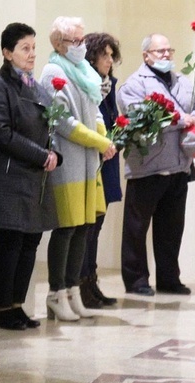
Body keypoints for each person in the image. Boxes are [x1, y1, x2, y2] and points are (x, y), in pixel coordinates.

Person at [0, 22, 59, 330]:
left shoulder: (35, 86)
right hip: (11, 177)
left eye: (33, 48)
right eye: (25, 48)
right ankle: (1, 308)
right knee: (11, 242)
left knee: (30, 242)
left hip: (35, 177)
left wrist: (54, 153)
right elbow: (0, 132)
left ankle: (17, 305)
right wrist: (41, 155)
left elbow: (48, 127)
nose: (31, 54)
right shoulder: (0, 86)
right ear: (7, 52)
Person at [117, 33, 195, 296]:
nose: (166, 55)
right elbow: (144, 118)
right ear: (146, 56)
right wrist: (184, 119)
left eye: (170, 50)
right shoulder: (134, 84)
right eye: (160, 51)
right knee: (136, 228)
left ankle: (169, 279)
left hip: (179, 166)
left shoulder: (182, 81)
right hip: (148, 167)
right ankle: (136, 281)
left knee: (171, 228)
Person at [40, 17, 116, 322]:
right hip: (69, 160)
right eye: (75, 41)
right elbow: (62, 121)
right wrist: (98, 141)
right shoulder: (52, 72)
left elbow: (95, 110)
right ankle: (55, 294)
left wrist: (103, 138)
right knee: (67, 228)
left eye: (83, 40)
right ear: (59, 43)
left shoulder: (84, 71)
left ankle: (73, 292)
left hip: (88, 162)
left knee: (85, 226)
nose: (81, 47)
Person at [78, 32, 123, 308]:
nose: (109, 60)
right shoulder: (87, 85)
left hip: (107, 159)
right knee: (87, 229)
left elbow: (111, 120)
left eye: (111, 54)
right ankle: (81, 284)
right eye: (104, 54)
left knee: (97, 227)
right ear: (92, 56)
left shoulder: (109, 85)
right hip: (91, 161)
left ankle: (91, 282)